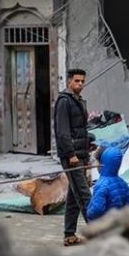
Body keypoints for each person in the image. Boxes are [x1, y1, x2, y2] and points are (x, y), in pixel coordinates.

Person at [54, 68, 92, 246]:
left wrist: (86, 155)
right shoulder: (64, 101)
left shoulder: (78, 100)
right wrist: (71, 154)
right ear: (69, 81)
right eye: (77, 81)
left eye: (82, 81)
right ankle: (98, 234)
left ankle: (69, 235)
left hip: (81, 154)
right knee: (85, 196)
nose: (80, 84)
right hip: (71, 156)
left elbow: (82, 130)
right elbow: (62, 132)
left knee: (74, 196)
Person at [86, 147, 129, 221]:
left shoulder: (101, 185)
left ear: (102, 164)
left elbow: (96, 210)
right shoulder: (122, 183)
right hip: (120, 223)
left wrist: (89, 213)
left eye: (97, 162)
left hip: (106, 224)